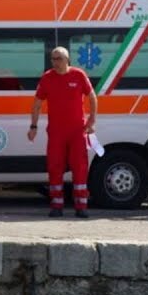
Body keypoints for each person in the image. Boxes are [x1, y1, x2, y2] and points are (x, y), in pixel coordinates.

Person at [28, 46, 98, 218]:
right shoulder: (47, 78)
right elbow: (37, 103)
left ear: (67, 60)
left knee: (80, 168)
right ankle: (56, 205)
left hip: (77, 131)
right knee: (54, 167)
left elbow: (92, 97)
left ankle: (81, 206)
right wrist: (33, 126)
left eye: (58, 58)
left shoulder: (78, 75)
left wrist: (91, 120)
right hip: (56, 132)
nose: (55, 62)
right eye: (53, 58)